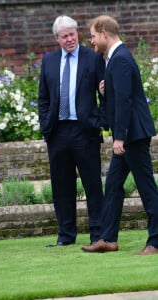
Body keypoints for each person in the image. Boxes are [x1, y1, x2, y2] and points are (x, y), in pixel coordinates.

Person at [81, 15, 158, 255]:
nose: (92, 42)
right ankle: (108, 238)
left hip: (132, 135)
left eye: (93, 36)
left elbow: (125, 102)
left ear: (104, 32)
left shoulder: (121, 58)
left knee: (146, 188)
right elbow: (117, 99)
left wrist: (120, 137)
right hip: (128, 134)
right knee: (113, 185)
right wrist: (104, 93)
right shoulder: (113, 59)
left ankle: (155, 241)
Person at [38, 15, 105, 247]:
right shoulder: (49, 62)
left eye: (73, 34)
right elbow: (43, 98)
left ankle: (98, 234)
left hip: (85, 131)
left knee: (92, 184)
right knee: (62, 185)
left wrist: (100, 121)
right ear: (57, 38)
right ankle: (66, 235)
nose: (70, 39)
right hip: (57, 132)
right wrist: (46, 127)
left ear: (78, 33)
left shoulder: (93, 57)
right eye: (65, 36)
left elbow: (105, 93)